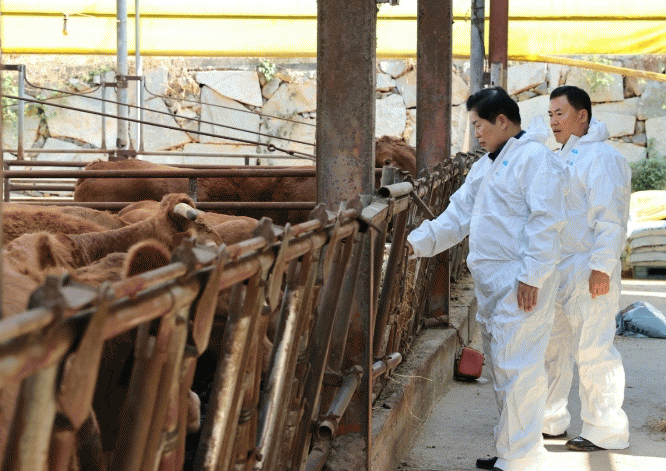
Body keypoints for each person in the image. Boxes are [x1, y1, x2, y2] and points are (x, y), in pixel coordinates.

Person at [406, 87, 567, 471]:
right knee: (504, 366)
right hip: (493, 282)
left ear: (502, 121)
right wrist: (411, 244)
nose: (476, 132)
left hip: (520, 280)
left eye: (479, 125)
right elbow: (456, 218)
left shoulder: (535, 159)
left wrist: (532, 276)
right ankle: (514, 450)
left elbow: (547, 220)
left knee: (519, 367)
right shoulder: (486, 166)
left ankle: (519, 458)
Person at [542, 85, 631, 451]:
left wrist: (601, 268)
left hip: (589, 265)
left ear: (582, 116)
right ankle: (550, 419)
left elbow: (610, 219)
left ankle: (605, 429)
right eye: (550, 115)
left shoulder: (603, 158)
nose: (553, 121)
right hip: (560, 268)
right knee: (553, 347)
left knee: (594, 349)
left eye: (560, 114)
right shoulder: (563, 157)